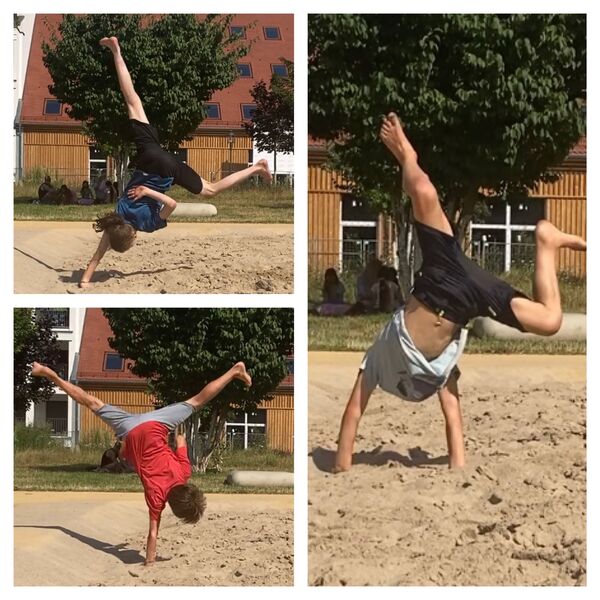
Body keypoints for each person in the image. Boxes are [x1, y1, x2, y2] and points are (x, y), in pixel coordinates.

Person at [333, 113, 586, 474]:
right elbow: (453, 416)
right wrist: (458, 467)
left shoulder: (374, 361)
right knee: (550, 321)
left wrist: (342, 466)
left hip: (440, 274)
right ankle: (546, 240)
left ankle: (406, 154)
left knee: (422, 192)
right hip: (470, 301)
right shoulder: (440, 369)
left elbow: (353, 412)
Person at [79, 37, 272, 289]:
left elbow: (172, 203)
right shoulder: (117, 216)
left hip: (168, 168)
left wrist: (150, 191)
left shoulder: (148, 225)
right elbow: (99, 253)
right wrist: (84, 279)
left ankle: (257, 167)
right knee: (133, 102)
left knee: (211, 190)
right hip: (151, 155)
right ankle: (116, 50)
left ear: (134, 235)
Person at [31, 359, 252, 565]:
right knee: (92, 403)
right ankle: (48, 373)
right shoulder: (157, 500)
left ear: (191, 488)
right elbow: (153, 534)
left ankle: (234, 371)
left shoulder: (184, 472)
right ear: (173, 507)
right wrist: (150, 562)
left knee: (196, 401)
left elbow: (181, 439)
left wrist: (175, 426)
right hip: (130, 431)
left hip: (156, 423)